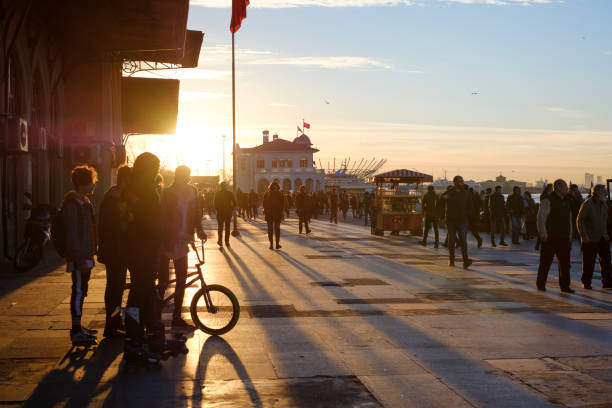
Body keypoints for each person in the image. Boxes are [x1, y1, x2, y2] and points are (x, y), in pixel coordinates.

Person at [159, 166, 206, 329]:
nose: (186, 178)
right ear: (177, 176)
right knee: (163, 280)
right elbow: (163, 215)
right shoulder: (168, 193)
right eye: (183, 175)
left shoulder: (193, 191)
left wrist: (199, 230)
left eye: (187, 175)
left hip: (185, 238)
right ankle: (156, 316)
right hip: (168, 239)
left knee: (181, 279)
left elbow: (197, 213)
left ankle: (176, 316)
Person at [63, 165, 99, 346]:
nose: (95, 185)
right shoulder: (73, 204)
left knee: (82, 291)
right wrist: (78, 258)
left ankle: (79, 326)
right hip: (79, 257)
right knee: (77, 292)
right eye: (93, 182)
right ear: (86, 183)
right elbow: (71, 234)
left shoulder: (83, 202)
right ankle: (76, 330)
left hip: (86, 255)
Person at [98, 165, 132, 338]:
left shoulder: (117, 197)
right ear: (125, 180)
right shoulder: (113, 199)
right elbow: (114, 229)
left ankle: (115, 322)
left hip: (118, 251)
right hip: (115, 252)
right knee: (114, 289)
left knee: (117, 289)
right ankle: (111, 326)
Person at [536, 179, 574, 293]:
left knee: (565, 264)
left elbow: (570, 219)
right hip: (550, 237)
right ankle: (541, 284)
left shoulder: (567, 200)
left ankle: (565, 286)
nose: (567, 188)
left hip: (564, 237)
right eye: (565, 186)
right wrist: (543, 233)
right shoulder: (548, 200)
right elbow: (541, 218)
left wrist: (570, 234)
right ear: (558, 187)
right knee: (545, 262)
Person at [576, 184, 612, 290]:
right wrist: (584, 235)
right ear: (596, 192)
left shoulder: (604, 204)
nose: (606, 192)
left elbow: (606, 221)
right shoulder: (588, 204)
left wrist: (607, 235)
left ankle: (607, 283)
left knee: (606, 261)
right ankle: (586, 282)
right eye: (604, 191)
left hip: (603, 237)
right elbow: (580, 220)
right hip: (590, 238)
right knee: (589, 262)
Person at [441, 176, 472, 268]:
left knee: (463, 240)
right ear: (454, 182)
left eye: (462, 181)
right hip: (451, 220)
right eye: (459, 181)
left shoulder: (466, 193)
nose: (461, 183)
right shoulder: (449, 192)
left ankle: (465, 261)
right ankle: (451, 259)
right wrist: (443, 198)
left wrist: (466, 215)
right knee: (452, 240)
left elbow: (470, 206)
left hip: (462, 220)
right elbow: (439, 202)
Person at [214, 182, 235, 248]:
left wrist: (218, 209)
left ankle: (220, 241)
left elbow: (215, 203)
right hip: (228, 213)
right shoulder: (230, 193)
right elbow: (235, 202)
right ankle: (227, 241)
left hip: (220, 213)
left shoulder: (217, 194)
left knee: (220, 228)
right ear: (226, 186)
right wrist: (231, 209)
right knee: (227, 227)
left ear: (221, 186)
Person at [263, 181, 284, 249]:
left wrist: (282, 213)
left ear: (277, 187)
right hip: (270, 214)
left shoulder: (280, 194)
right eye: (273, 187)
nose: (275, 188)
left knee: (276, 229)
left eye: (276, 187)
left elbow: (282, 204)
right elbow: (264, 203)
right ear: (271, 187)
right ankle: (271, 243)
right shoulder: (268, 194)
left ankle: (277, 243)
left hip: (277, 214)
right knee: (271, 229)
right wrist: (265, 211)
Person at [535, 184, 553, 251]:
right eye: (551, 188)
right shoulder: (546, 197)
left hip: (546, 215)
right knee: (543, 230)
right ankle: (539, 245)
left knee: (542, 231)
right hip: (545, 215)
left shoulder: (546, 195)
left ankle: (538, 245)